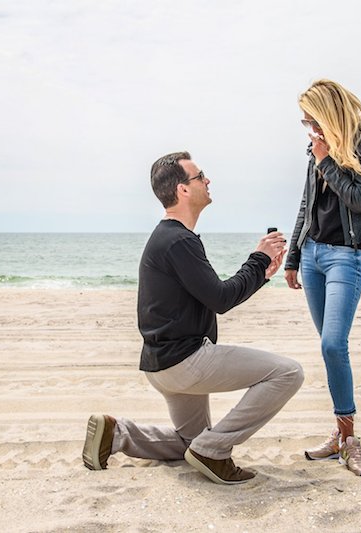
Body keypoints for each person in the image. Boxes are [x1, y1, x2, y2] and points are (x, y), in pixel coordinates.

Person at [82, 151, 304, 485]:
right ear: (183, 190)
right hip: (186, 361)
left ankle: (118, 435)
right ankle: (214, 450)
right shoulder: (177, 241)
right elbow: (221, 299)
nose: (208, 180)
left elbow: (215, 294)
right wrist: (258, 259)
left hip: (161, 366)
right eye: (201, 176)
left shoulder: (169, 238)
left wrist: (262, 272)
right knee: (288, 373)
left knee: (190, 441)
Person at [284, 79, 361, 476]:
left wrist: (327, 158)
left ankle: (349, 440)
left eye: (311, 119)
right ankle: (340, 435)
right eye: (305, 122)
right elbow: (306, 205)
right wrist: (294, 255)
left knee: (333, 344)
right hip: (312, 256)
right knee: (329, 348)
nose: (308, 128)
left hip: (348, 256)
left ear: (329, 113)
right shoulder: (315, 147)